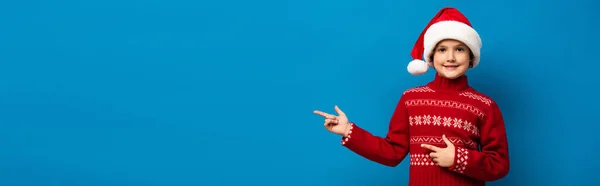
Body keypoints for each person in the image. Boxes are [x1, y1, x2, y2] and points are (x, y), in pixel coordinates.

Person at [313, 7, 510, 186]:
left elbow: (499, 164)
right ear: (431, 56)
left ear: (471, 56)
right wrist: (348, 131)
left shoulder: (484, 105)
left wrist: (458, 159)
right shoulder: (411, 99)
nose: (450, 57)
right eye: (442, 49)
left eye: (459, 49)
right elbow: (391, 152)